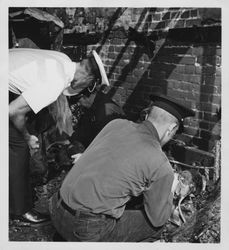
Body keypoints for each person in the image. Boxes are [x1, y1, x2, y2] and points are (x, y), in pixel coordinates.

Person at [49, 92, 195, 241]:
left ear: (147, 116)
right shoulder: (161, 164)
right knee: (155, 226)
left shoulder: (116, 124)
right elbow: (157, 219)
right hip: (85, 229)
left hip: (56, 208)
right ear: (171, 128)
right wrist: (170, 190)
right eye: (174, 133)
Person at [9, 48, 109, 226]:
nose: (84, 90)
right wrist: (27, 137)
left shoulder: (62, 60)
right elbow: (13, 111)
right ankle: (19, 212)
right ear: (88, 78)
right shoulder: (55, 82)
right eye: (88, 86)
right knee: (18, 148)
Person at [68, 86, 126, 150]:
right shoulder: (92, 104)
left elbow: (102, 145)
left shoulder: (104, 112)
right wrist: (71, 140)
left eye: (78, 101)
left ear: (85, 97)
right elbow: (84, 127)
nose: (79, 104)